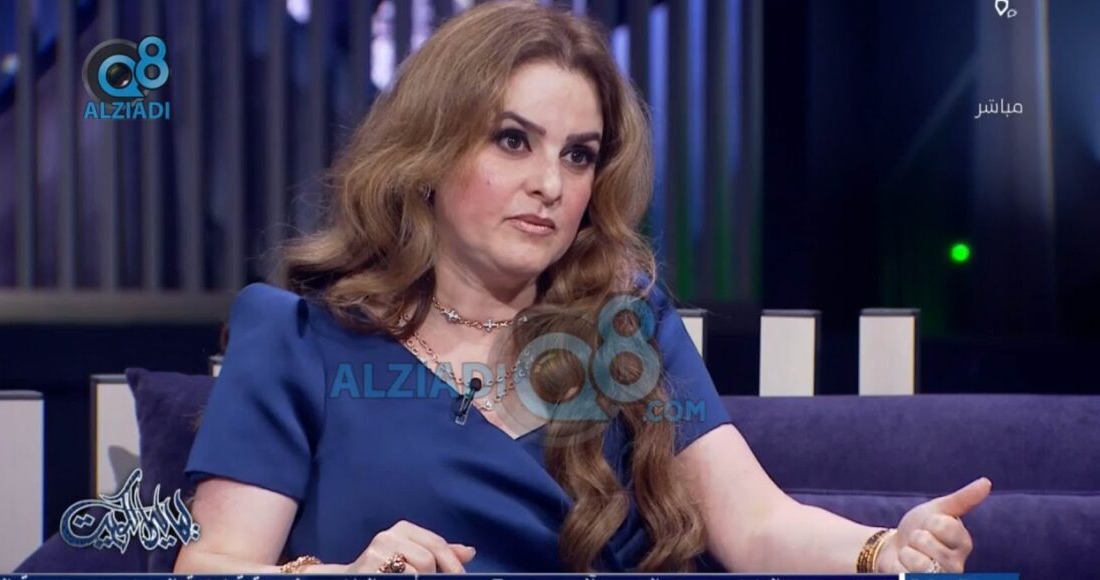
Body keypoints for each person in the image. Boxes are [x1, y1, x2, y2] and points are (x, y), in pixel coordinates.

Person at [174, 0, 991, 574]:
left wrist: (885, 549)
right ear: (428, 152)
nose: (550, 184)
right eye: (512, 141)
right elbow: (211, 564)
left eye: (578, 155)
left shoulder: (624, 325)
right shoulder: (300, 337)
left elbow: (756, 524)